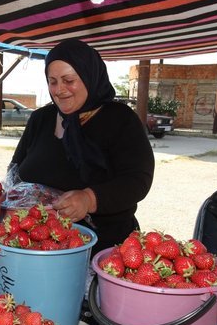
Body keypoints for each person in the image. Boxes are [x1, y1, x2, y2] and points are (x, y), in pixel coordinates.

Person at [10, 39, 155, 253]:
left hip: (105, 247)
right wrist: (14, 202)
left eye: (69, 80)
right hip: (39, 245)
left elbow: (137, 180)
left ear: (89, 77)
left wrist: (89, 199)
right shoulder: (41, 119)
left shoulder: (120, 119)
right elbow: (15, 171)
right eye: (53, 81)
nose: (59, 90)